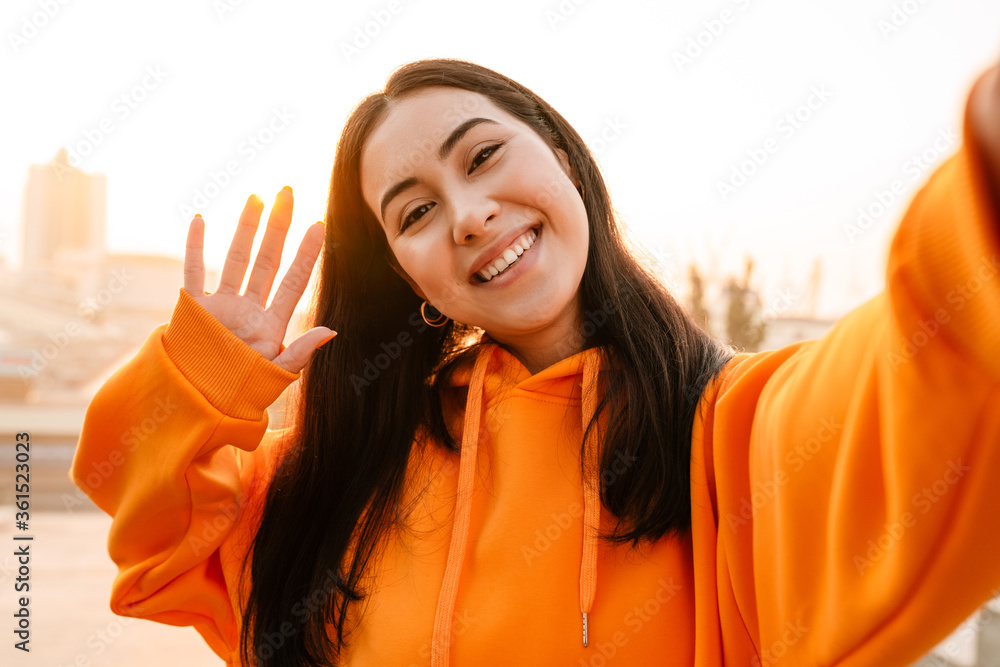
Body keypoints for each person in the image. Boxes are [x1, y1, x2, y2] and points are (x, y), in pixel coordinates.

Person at [70, 57, 1000, 667]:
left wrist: (980, 208)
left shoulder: (728, 436)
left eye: (482, 157)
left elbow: (905, 385)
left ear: (560, 155)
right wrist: (205, 376)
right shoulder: (340, 479)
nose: (469, 211)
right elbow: (152, 523)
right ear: (411, 278)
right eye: (416, 211)